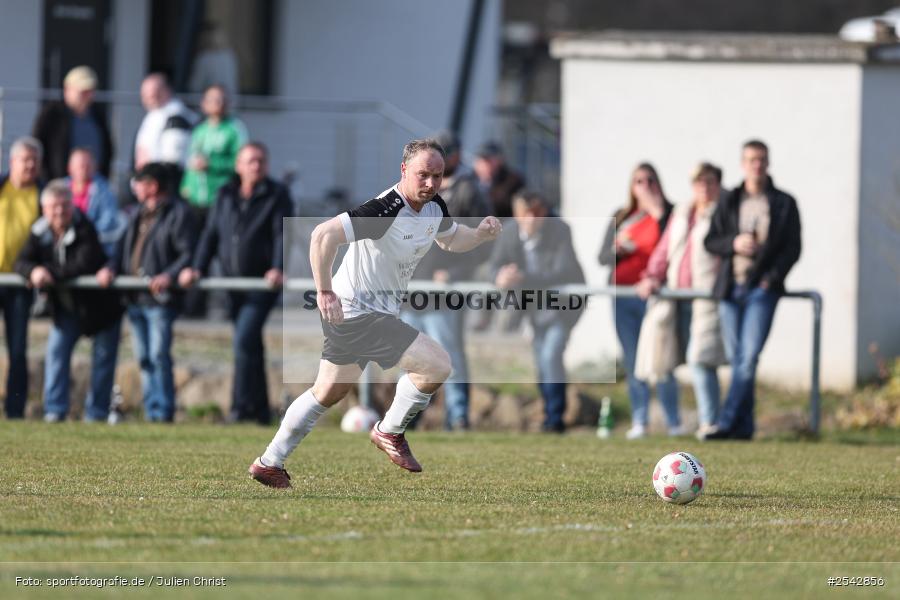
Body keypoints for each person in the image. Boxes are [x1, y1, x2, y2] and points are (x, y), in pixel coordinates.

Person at [248, 138, 502, 488]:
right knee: (437, 364)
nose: (430, 183)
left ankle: (269, 462)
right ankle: (389, 431)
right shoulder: (387, 209)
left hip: (359, 312)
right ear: (404, 171)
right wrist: (323, 290)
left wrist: (480, 235)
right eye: (423, 175)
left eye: (438, 175)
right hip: (358, 311)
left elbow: (452, 238)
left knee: (328, 391)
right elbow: (323, 236)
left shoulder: (433, 206)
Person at [179, 142, 292, 424]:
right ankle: (260, 411)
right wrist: (197, 267)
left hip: (260, 285)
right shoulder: (225, 194)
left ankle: (239, 407)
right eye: (251, 161)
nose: (256, 166)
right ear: (239, 166)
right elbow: (211, 234)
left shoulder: (276, 194)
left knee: (243, 339)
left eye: (261, 161)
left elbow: (282, 234)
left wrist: (277, 268)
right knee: (250, 344)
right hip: (232, 283)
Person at [701, 140, 802, 440]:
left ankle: (726, 422)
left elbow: (793, 248)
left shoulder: (784, 203)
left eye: (762, 159)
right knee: (739, 360)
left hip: (762, 289)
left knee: (747, 357)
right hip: (731, 290)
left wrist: (771, 278)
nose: (757, 165)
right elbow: (710, 240)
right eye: (751, 159)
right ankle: (744, 428)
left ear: (768, 163)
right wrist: (733, 243)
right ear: (743, 164)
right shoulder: (730, 199)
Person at [401, 130, 490, 431]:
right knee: (413, 358)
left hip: (445, 292)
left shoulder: (468, 191)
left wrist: (455, 273)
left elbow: (480, 244)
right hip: (414, 290)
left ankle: (458, 415)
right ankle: (407, 418)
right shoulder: (415, 190)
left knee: (448, 355)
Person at [13, 180, 124, 422]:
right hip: (67, 309)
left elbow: (83, 263)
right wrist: (33, 272)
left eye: (64, 206)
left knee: (103, 363)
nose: (59, 212)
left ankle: (96, 414)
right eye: (54, 206)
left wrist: (47, 273)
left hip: (101, 308)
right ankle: (54, 410)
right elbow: (20, 262)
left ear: (72, 207)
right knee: (55, 354)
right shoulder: (39, 231)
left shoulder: (84, 227)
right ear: (44, 209)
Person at [634, 163, 728, 438]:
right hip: (675, 296)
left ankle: (709, 423)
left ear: (718, 185)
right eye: (699, 182)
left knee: (701, 359)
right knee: (662, 356)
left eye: (710, 182)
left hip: (706, 297)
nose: (704, 188)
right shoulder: (682, 213)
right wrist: (652, 276)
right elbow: (664, 250)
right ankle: (671, 423)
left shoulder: (723, 212)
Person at [99, 163, 197, 422]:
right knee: (143, 357)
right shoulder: (137, 213)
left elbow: (188, 252)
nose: (135, 188)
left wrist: (169, 275)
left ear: (152, 186)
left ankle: (162, 413)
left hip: (160, 301)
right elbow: (121, 251)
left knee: (158, 356)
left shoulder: (178, 214)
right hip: (135, 298)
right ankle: (151, 409)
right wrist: (109, 268)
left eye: (140, 183)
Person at [491, 190, 585, 433]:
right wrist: (500, 277)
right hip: (532, 307)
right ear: (517, 213)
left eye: (537, 212)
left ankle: (555, 419)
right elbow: (493, 265)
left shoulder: (560, 230)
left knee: (551, 355)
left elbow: (563, 271)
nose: (532, 218)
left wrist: (523, 277)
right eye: (526, 213)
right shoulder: (509, 232)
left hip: (562, 307)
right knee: (542, 362)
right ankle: (550, 415)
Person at [599, 163, 678, 439]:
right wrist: (616, 250)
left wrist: (657, 213)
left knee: (661, 359)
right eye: (638, 181)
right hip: (624, 297)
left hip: (656, 297)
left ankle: (673, 422)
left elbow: (675, 246)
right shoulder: (622, 216)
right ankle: (640, 420)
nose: (644, 186)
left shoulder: (670, 213)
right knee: (633, 360)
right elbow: (602, 258)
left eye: (649, 180)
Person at [0, 137, 42, 418]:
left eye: (34, 161)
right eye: (24, 159)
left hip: (20, 283)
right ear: (12, 162)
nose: (29, 165)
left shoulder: (43, 194)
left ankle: (15, 411)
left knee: (17, 350)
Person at [32, 66, 114, 181]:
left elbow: (108, 148)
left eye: (90, 91)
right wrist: (48, 180)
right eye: (82, 91)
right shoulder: (52, 114)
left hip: (93, 188)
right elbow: (37, 147)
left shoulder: (98, 115)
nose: (87, 96)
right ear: (67, 90)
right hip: (59, 187)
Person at [180, 84, 248, 215]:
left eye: (221, 99)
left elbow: (240, 162)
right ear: (203, 103)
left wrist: (211, 164)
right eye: (212, 99)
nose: (217, 103)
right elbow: (190, 159)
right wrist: (185, 185)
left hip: (221, 197)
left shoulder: (234, 129)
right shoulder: (199, 129)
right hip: (195, 198)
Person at [134, 73, 196, 186]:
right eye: (144, 96)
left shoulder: (176, 117)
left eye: (152, 95)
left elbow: (172, 161)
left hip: (161, 186)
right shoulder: (156, 113)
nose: (146, 100)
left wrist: (154, 182)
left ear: (165, 91)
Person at [65, 148, 126, 259]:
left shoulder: (105, 189)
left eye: (88, 165)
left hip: (94, 246)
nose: (85, 169)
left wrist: (84, 235)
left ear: (95, 167)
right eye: (81, 165)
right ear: (70, 168)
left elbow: (109, 220)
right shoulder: (60, 187)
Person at [473, 140, 524, 220]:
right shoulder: (468, 182)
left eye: (489, 160)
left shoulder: (513, 181)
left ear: (500, 160)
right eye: (482, 160)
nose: (485, 164)